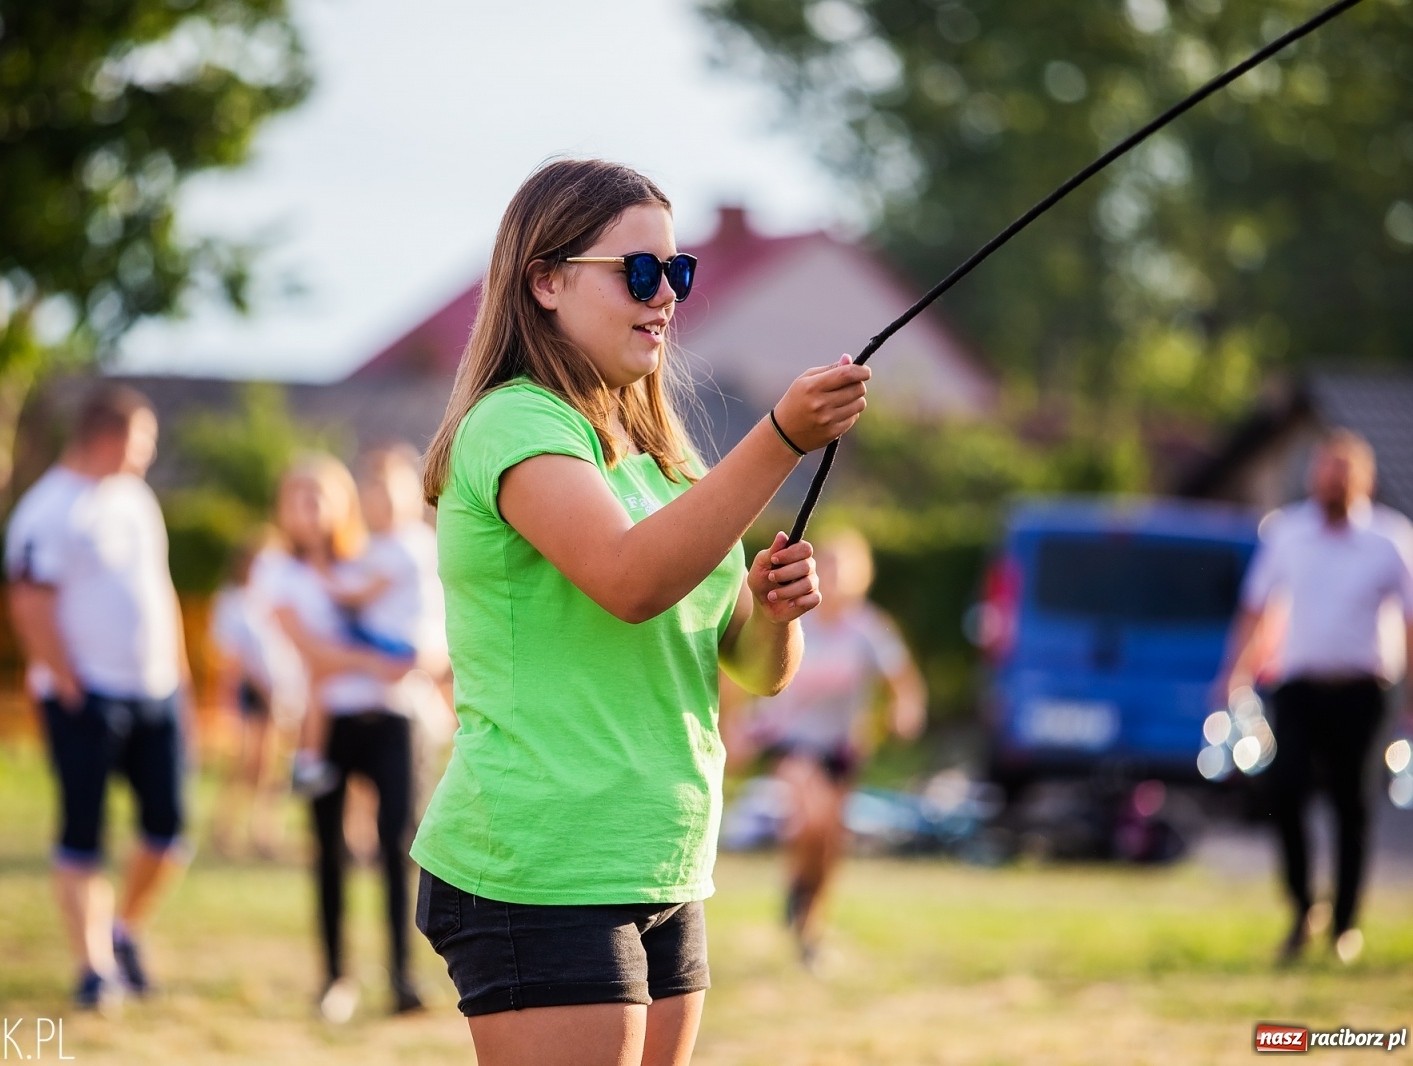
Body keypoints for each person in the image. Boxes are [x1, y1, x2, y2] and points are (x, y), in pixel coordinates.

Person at [410, 158, 870, 1066]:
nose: (666, 296)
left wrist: (774, 611)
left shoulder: (663, 456)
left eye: (678, 271)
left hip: (658, 860)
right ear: (545, 280)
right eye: (640, 271)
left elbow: (756, 669)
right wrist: (781, 438)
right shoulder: (515, 423)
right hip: (542, 863)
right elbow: (628, 581)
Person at [3, 384, 191, 1011]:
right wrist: (68, 684)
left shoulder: (137, 500)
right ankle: (93, 969)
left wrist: (180, 674)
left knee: (167, 831)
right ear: (109, 436)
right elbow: (29, 604)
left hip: (154, 692)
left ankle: (122, 931)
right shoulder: (49, 509)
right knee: (83, 833)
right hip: (86, 698)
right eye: (144, 440)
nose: (149, 453)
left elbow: (159, 588)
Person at [1217, 429, 1413, 965]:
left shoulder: (1390, 539)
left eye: (1342, 474)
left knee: (1353, 804)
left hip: (1364, 690)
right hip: (1299, 687)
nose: (1332, 483)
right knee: (1283, 791)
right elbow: (1257, 609)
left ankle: (1345, 926)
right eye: (1325, 472)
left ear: (1364, 480)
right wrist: (1234, 672)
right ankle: (1304, 907)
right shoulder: (1287, 533)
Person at [265, 455, 427, 1020]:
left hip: (394, 720)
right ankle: (335, 977)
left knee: (397, 847)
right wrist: (376, 661)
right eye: (299, 497)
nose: (310, 509)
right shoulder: (279, 573)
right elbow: (312, 653)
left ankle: (402, 977)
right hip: (327, 727)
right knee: (329, 852)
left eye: (320, 496)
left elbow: (422, 627)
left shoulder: (371, 559)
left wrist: (415, 659)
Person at [739, 528, 925, 964]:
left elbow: (904, 682)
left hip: (840, 749)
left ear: (862, 576)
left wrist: (905, 711)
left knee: (828, 843)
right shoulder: (796, 619)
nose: (837, 576)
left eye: (846, 568)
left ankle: (809, 924)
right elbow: (751, 666)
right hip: (789, 740)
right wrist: (739, 727)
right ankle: (797, 891)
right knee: (810, 819)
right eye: (830, 565)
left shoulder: (868, 629)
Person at [207, 535, 306, 859]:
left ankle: (265, 830)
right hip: (253, 692)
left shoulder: (275, 600)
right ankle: (225, 825)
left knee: (274, 766)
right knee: (248, 763)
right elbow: (231, 654)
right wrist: (263, 689)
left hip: (282, 691)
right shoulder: (232, 600)